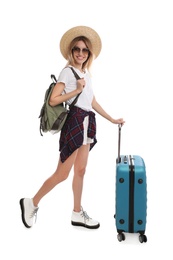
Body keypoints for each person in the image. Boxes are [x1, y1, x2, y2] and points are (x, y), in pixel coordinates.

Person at [19, 25, 125, 229]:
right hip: (75, 122)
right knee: (62, 174)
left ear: (89, 53)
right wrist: (75, 89)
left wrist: (111, 119)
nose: (80, 53)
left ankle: (77, 213)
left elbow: (91, 101)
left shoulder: (86, 73)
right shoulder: (67, 72)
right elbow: (53, 100)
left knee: (81, 170)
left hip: (87, 123)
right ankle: (31, 202)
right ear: (71, 51)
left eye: (84, 50)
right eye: (77, 49)